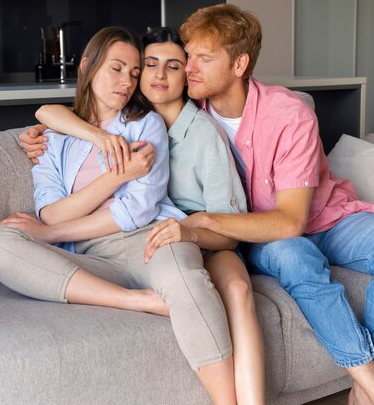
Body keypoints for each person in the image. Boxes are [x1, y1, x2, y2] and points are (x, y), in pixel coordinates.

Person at [20, 3, 374, 405]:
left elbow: (287, 220)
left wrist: (197, 223)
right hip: (257, 234)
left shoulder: (286, 114)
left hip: (315, 218)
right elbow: (74, 111)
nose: (187, 67)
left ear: (238, 64)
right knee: (293, 259)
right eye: (186, 57)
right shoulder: (179, 106)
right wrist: (45, 131)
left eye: (199, 59)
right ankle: (373, 388)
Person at [0, 26, 245, 405]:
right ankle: (137, 301)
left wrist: (49, 231)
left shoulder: (147, 125)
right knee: (0, 240)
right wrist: (115, 176)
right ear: (87, 68)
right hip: (83, 255)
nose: (127, 82)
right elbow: (49, 209)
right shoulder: (54, 136)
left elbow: (135, 210)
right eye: (117, 68)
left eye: (132, 72)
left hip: (147, 239)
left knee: (186, 280)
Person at [24, 27, 266, 405]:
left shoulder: (200, 134)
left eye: (173, 66)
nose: (157, 76)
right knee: (6, 239)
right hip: (156, 237)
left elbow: (227, 230)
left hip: (206, 239)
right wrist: (54, 129)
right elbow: (47, 111)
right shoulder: (128, 120)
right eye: (147, 66)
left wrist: (188, 232)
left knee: (234, 290)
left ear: (187, 75)